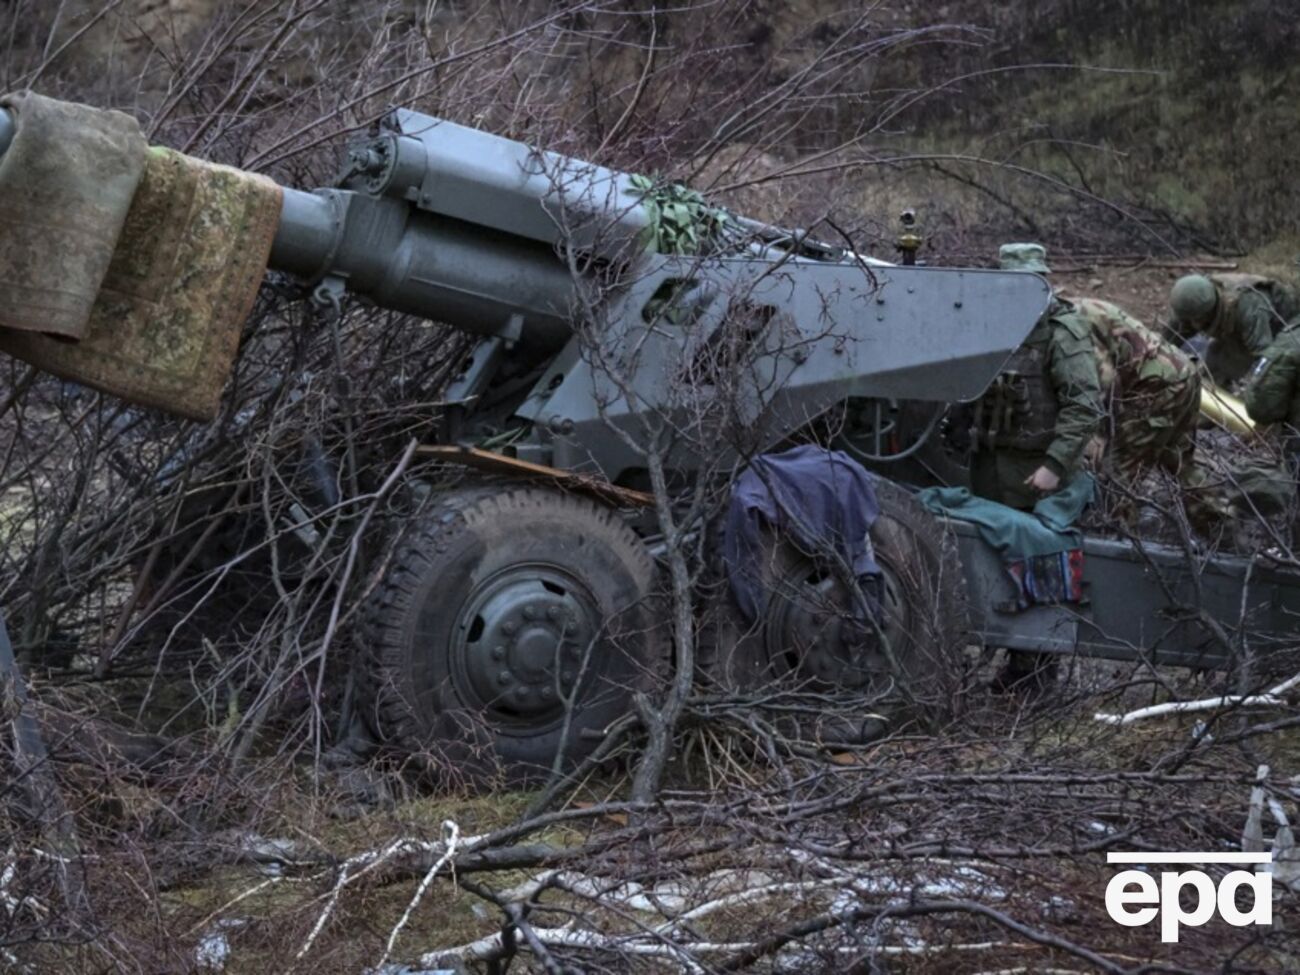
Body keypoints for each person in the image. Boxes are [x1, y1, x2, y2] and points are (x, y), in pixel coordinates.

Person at [969, 244, 1104, 511]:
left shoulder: (1062, 332)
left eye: (1029, 282)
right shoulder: (989, 325)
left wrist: (1054, 466)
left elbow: (1084, 406)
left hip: (1038, 476)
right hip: (987, 471)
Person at [1168, 273, 1300, 386]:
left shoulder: (1249, 307)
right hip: (1248, 328)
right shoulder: (1189, 301)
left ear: (1209, 312)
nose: (1194, 325)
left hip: (1286, 327)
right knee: (1213, 361)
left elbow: (1264, 359)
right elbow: (1169, 337)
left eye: (1197, 320)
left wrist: (1254, 395)